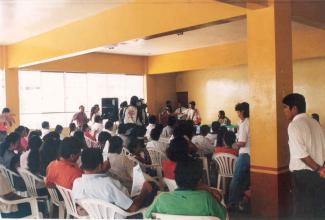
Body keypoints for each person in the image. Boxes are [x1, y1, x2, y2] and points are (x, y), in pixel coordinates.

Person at [72, 148, 156, 216]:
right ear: (99, 166)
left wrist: (102, 170)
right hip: (126, 215)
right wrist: (144, 190)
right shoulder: (108, 184)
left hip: (95, 216)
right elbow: (133, 208)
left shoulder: (77, 183)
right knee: (151, 187)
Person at [282, 93, 325, 218]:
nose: (284, 111)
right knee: (317, 210)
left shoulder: (294, 125)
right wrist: (321, 169)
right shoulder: (317, 124)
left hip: (303, 176)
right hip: (319, 176)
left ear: (294, 108)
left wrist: (319, 168)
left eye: (285, 107)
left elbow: (302, 155)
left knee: (302, 211)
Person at [145, 158, 227, 219]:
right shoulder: (206, 199)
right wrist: (209, 190)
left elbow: (147, 216)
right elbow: (223, 216)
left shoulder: (161, 199)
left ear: (175, 178)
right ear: (199, 180)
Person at [228, 102, 250, 211]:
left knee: (236, 179)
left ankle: (231, 203)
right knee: (245, 180)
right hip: (250, 154)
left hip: (245, 154)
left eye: (238, 111)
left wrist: (233, 144)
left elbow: (242, 142)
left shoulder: (244, 123)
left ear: (242, 111)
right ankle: (241, 202)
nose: (237, 114)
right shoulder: (249, 122)